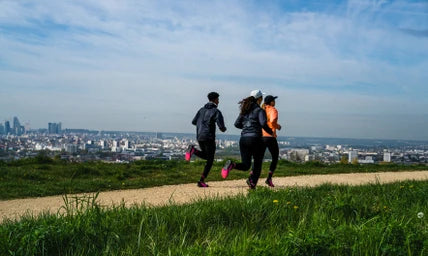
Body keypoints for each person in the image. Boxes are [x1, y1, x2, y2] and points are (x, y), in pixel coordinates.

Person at [221, 90, 273, 189]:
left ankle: (232, 164)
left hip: (243, 139)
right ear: (260, 99)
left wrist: (246, 128)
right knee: (257, 162)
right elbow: (263, 123)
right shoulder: (259, 110)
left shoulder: (245, 110)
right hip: (256, 139)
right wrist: (270, 132)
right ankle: (252, 183)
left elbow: (236, 124)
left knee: (246, 165)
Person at [185, 92, 227, 187]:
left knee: (207, 156)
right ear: (215, 100)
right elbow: (221, 127)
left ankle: (193, 150)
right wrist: (224, 129)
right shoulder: (216, 111)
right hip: (209, 137)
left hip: (199, 136)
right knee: (210, 160)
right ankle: (201, 181)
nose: (219, 101)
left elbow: (194, 122)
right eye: (218, 99)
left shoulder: (201, 110)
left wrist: (202, 125)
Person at [261, 95, 282, 187]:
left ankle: (251, 177)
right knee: (275, 157)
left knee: (258, 158)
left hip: (260, 136)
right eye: (274, 100)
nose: (275, 101)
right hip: (270, 136)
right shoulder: (273, 110)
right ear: (271, 102)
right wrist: (277, 126)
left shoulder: (261, 110)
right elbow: (273, 121)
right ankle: (269, 178)